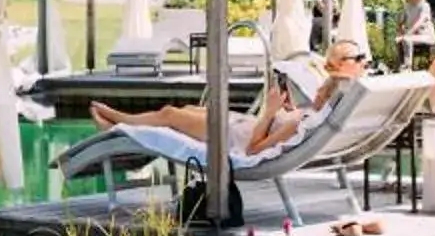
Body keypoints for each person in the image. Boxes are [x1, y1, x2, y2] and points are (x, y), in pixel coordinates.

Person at [92, 36, 368, 151]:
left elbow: (252, 150)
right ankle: (119, 125)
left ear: (324, 97)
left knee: (170, 115)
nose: (316, 90)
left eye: (320, 89)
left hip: (235, 136)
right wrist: (281, 110)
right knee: (186, 109)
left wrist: (271, 112)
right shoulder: (310, 116)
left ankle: (118, 122)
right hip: (239, 124)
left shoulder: (301, 121)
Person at [397, 0, 435, 68]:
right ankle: (400, 65)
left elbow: (420, 21)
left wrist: (408, 33)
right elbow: (402, 21)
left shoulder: (424, 6)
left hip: (426, 36)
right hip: (413, 35)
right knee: (399, 40)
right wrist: (400, 28)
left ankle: (407, 66)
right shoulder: (407, 5)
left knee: (406, 40)